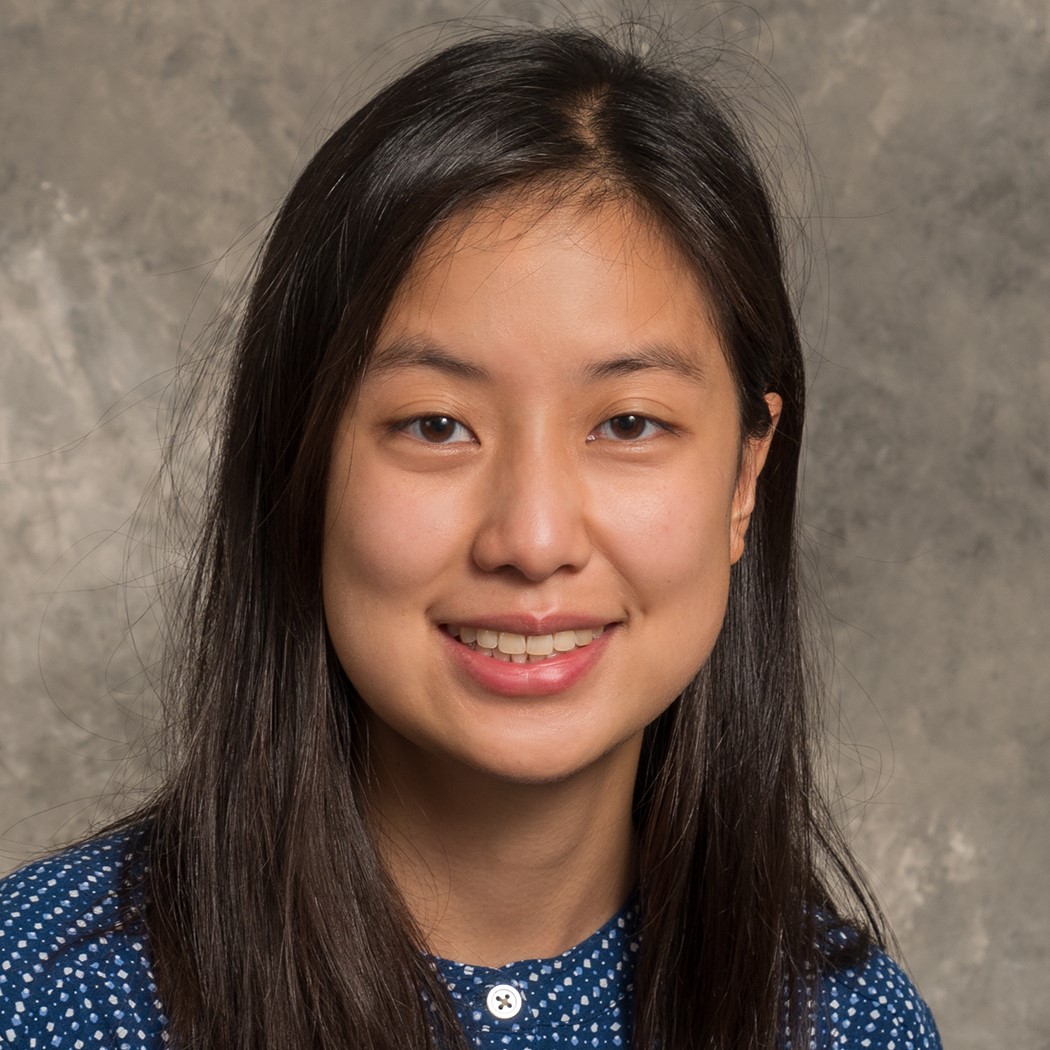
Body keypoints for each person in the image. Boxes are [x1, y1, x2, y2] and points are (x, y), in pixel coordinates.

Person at [0, 25, 941, 1050]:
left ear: (744, 475)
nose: (532, 540)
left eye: (628, 424)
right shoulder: (54, 998)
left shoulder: (845, 1025)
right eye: (435, 425)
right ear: (302, 462)